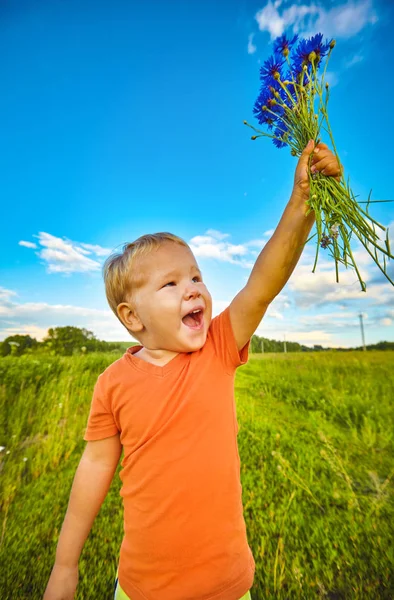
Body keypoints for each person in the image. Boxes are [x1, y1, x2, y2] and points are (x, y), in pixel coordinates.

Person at [43, 140, 341, 600]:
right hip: (143, 587)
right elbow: (94, 466)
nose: (193, 289)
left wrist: (302, 200)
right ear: (132, 317)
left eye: (197, 276)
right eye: (171, 283)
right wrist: (65, 564)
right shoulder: (112, 384)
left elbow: (263, 282)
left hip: (226, 583)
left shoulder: (218, 346)